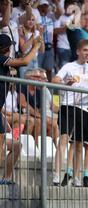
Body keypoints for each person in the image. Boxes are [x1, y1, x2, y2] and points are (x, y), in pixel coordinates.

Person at [52, 39, 88, 187]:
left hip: (84, 109)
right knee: (63, 140)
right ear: (78, 51)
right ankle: (56, 174)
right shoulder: (69, 66)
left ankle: (76, 177)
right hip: (68, 106)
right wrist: (65, 83)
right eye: (85, 50)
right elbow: (55, 80)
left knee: (79, 145)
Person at [0, 33, 41, 184]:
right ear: (6, 48)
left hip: (3, 114)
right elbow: (24, 61)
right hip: (5, 113)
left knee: (17, 145)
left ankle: (6, 178)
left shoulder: (6, 66)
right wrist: (35, 46)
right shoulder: (1, 59)